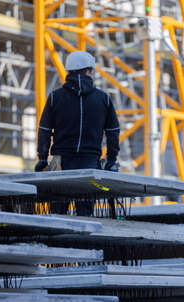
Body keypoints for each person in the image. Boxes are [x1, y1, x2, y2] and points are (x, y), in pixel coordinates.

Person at [35, 51, 120, 216]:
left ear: (69, 71)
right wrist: (111, 161)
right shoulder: (103, 99)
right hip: (89, 163)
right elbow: (113, 133)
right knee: (85, 214)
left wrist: (43, 159)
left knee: (57, 215)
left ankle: (55, 241)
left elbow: (44, 131)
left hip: (60, 163)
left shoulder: (55, 97)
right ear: (88, 71)